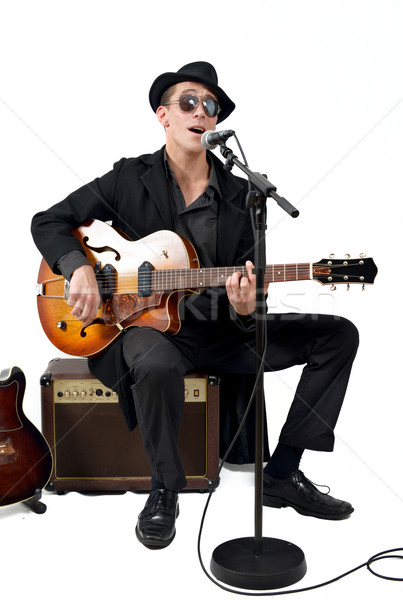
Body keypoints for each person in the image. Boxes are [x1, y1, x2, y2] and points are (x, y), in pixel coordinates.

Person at [31, 61, 359, 550]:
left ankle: (283, 472)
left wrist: (248, 307)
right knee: (157, 362)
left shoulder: (242, 195)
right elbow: (48, 220)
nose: (201, 111)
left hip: (219, 330)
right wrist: (77, 267)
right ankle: (166, 488)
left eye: (210, 105)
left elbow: (254, 284)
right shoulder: (127, 178)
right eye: (188, 101)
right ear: (163, 115)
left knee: (337, 334)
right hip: (142, 330)